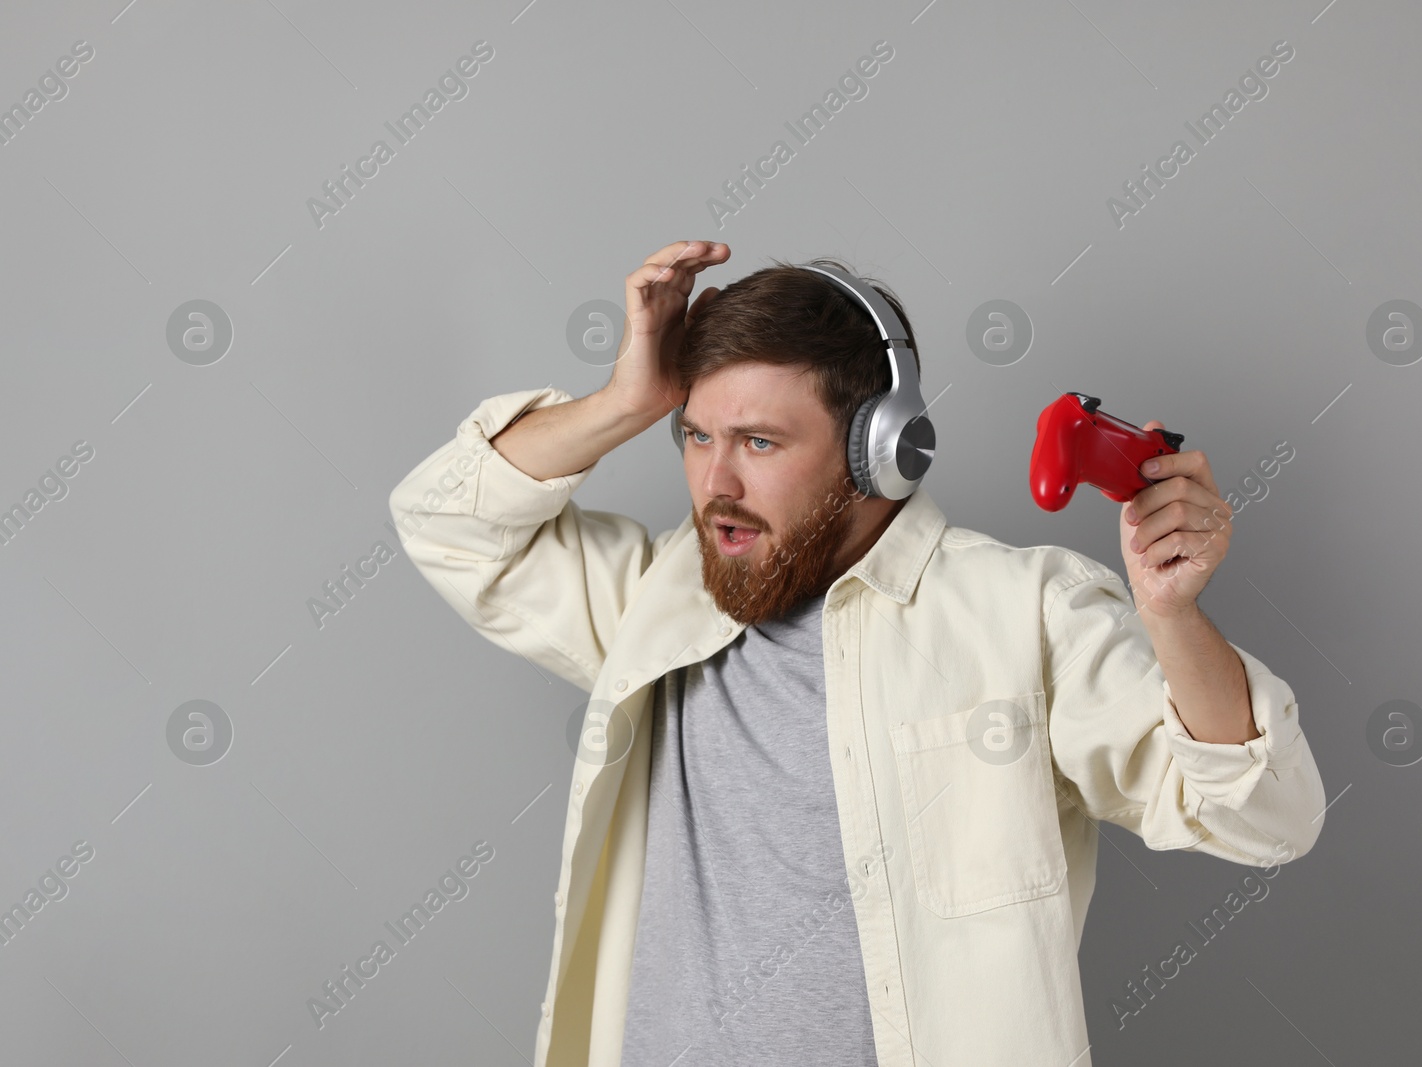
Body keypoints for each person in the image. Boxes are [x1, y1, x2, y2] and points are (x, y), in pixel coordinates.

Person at [388, 240, 1326, 1066]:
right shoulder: (657, 605)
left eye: (759, 440)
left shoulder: (1021, 611)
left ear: (885, 451)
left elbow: (1265, 816)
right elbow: (444, 522)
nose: (716, 482)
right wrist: (626, 399)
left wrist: (1171, 616)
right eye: (698, 436)